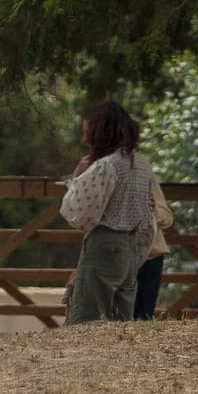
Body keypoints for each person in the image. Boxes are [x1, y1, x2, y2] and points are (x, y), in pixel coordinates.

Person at [60, 99, 157, 325]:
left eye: (88, 131)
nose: (85, 136)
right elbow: (147, 216)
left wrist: (76, 179)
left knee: (85, 317)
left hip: (104, 244)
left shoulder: (107, 166)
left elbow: (76, 211)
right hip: (129, 247)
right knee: (121, 319)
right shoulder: (140, 165)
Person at [134, 174, 177, 321]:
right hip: (116, 258)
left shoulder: (143, 170)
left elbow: (167, 218)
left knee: (144, 319)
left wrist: (153, 211)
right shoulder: (99, 166)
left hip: (151, 256)